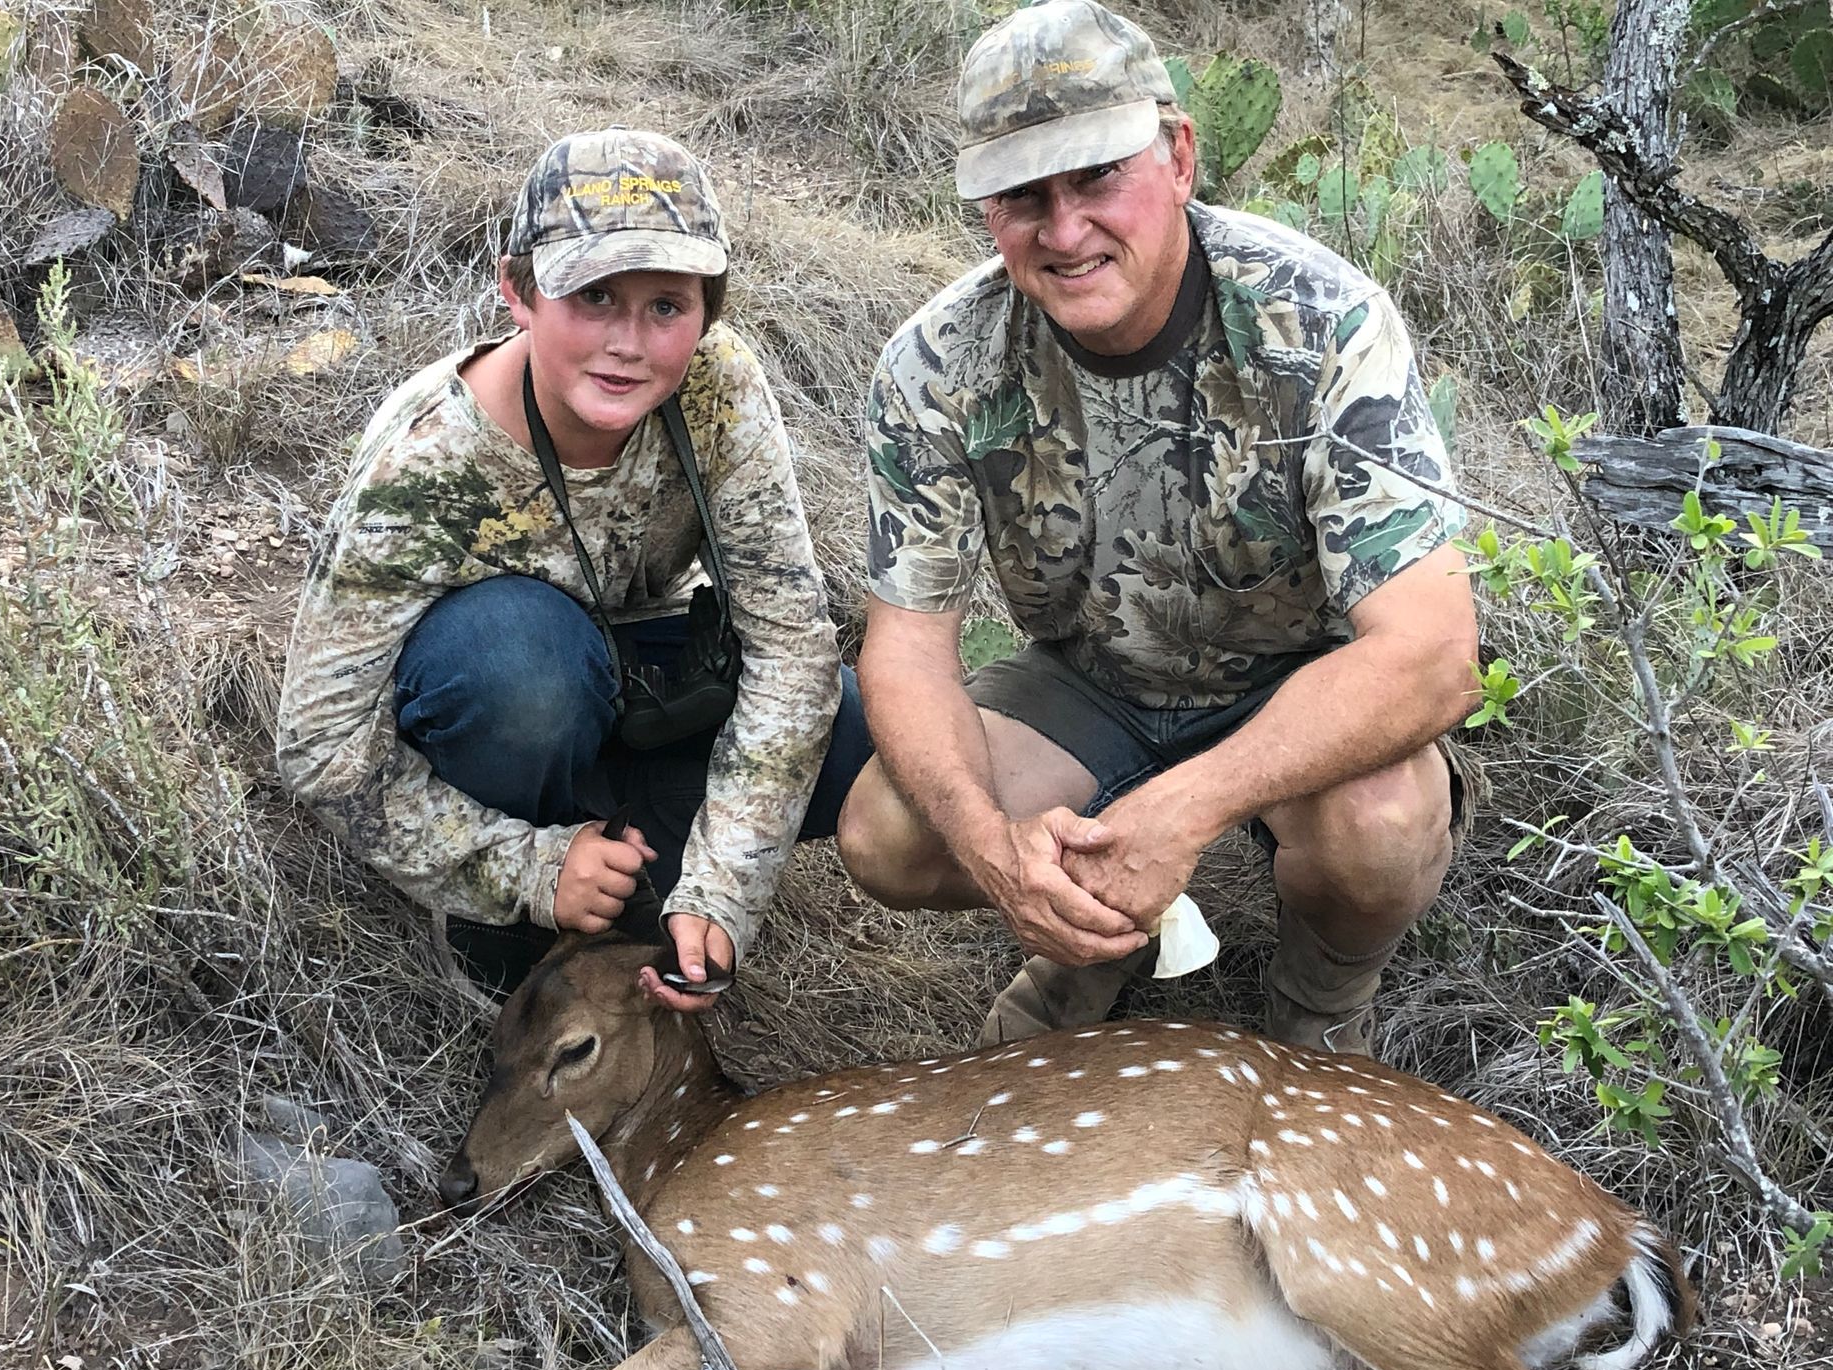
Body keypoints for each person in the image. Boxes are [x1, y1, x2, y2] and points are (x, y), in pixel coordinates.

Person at [835, 0, 1481, 1057]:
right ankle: (1087, 939)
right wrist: (997, 853)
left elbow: (1433, 657)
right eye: (1022, 196)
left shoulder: (1321, 321)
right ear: (986, 211)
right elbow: (906, 652)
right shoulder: (936, 364)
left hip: (1296, 678)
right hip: (1090, 684)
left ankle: (1320, 1008)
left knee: (1382, 829)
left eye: (1097, 177)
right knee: (891, 835)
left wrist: (1183, 813)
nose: (1065, 228)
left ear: (1178, 157)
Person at [277, 127, 869, 1010]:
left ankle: (645, 882)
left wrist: (723, 887)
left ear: (710, 310)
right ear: (519, 291)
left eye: (667, 306)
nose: (629, 342)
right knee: (520, 665)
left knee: (857, 735)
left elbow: (789, 651)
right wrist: (525, 866)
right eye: (593, 296)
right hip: (514, 696)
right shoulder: (424, 465)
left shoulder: (721, 391)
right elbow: (320, 746)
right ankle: (510, 922)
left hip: (641, 671)